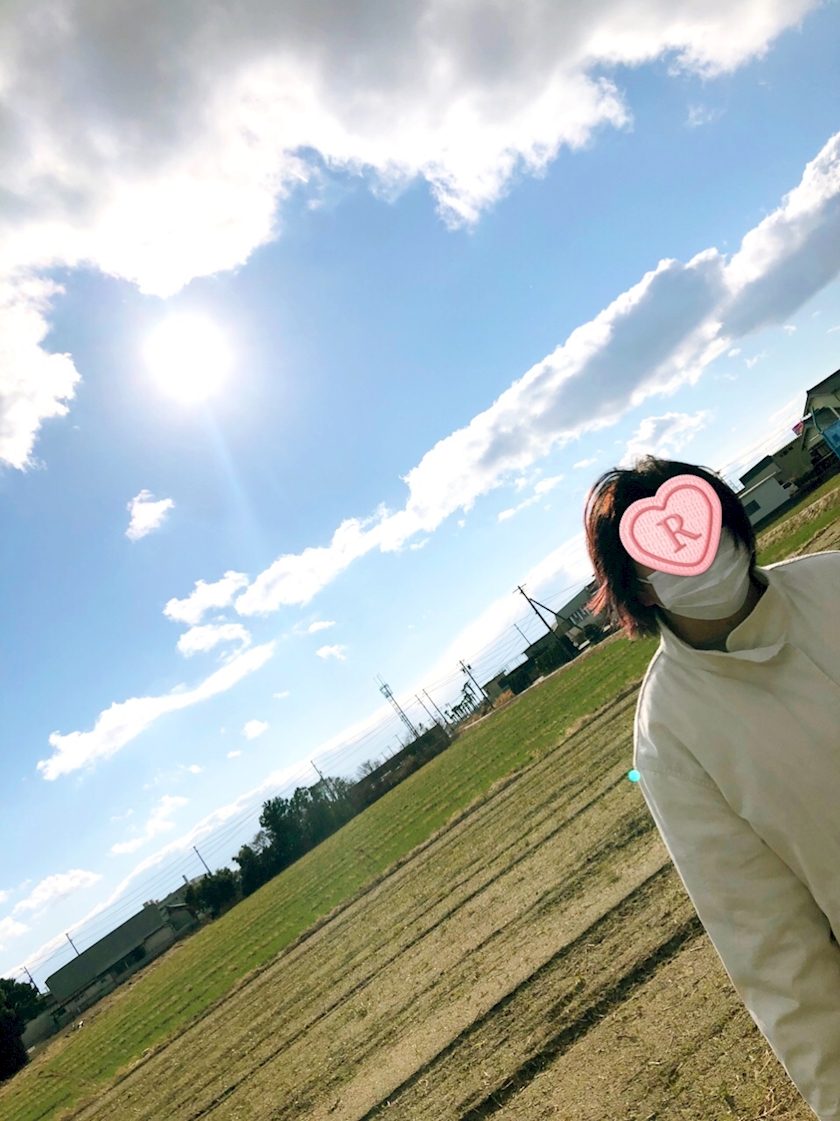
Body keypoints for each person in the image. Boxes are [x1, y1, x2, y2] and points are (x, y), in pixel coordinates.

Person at [584, 455, 840, 1121]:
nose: (697, 555)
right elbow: (771, 946)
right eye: (658, 550)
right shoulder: (669, 734)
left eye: (704, 527)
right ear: (637, 589)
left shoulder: (834, 582)